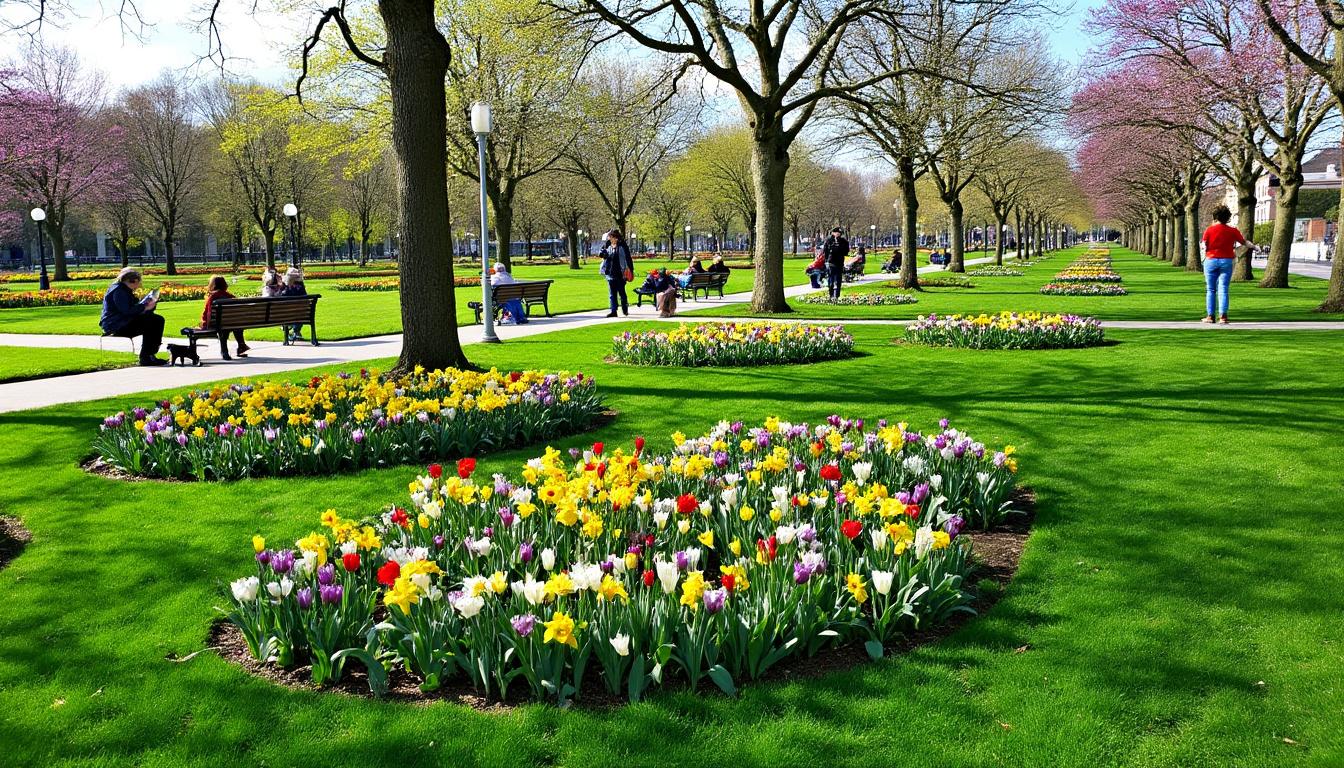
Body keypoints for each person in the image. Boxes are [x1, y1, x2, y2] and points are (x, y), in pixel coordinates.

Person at [100, 268, 166, 366]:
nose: (139, 285)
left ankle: (148, 355)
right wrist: (145, 307)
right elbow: (127, 311)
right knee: (154, 321)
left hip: (122, 322)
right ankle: (147, 356)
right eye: (139, 282)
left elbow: (135, 308)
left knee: (154, 320)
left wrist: (149, 305)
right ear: (133, 281)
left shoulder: (123, 289)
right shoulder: (119, 291)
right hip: (116, 325)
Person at [1200, 204, 1250, 324]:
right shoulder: (1232, 230)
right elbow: (1244, 242)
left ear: (1215, 216)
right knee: (1223, 289)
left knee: (1211, 289)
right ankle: (1223, 316)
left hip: (1211, 260)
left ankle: (1210, 316)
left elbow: (1204, 244)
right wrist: (1254, 247)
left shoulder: (1209, 230)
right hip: (1227, 261)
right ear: (1227, 217)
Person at [200, 276, 250, 359]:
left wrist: (205, 324)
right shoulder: (230, 296)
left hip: (216, 324)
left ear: (213, 285)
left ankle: (225, 351)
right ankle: (241, 346)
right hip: (232, 323)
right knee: (235, 324)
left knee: (223, 327)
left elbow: (207, 313)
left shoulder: (213, 298)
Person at [598, 228, 634, 317]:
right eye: (609, 237)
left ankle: (624, 308)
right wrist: (603, 254)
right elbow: (602, 254)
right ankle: (613, 311)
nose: (609, 239)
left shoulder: (622, 246)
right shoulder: (607, 245)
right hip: (610, 272)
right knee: (612, 294)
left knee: (622, 293)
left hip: (620, 274)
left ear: (616, 238)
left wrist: (630, 270)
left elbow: (628, 259)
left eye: (611, 237)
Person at [280, 267, 307, 343]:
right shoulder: (301, 288)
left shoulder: (286, 289)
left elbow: (280, 297)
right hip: (302, 315)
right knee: (300, 312)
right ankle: (296, 331)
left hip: (288, 315)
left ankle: (286, 328)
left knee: (285, 313)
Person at [821, 227, 849, 299]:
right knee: (831, 280)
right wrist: (826, 260)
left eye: (839, 233)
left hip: (839, 262)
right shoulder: (829, 240)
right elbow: (825, 251)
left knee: (838, 280)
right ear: (833, 233)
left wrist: (840, 247)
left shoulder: (843, 241)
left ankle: (837, 295)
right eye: (836, 233)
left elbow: (846, 251)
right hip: (831, 262)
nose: (838, 234)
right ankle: (831, 295)